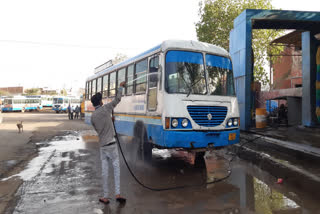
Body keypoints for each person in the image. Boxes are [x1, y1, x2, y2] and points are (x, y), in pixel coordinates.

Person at [91, 81, 126, 205]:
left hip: (102, 147)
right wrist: (120, 87)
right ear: (100, 102)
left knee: (105, 171)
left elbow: (99, 130)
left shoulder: (93, 116)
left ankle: (105, 197)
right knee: (116, 169)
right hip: (112, 144)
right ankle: (117, 194)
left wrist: (109, 120)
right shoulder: (106, 109)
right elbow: (117, 99)